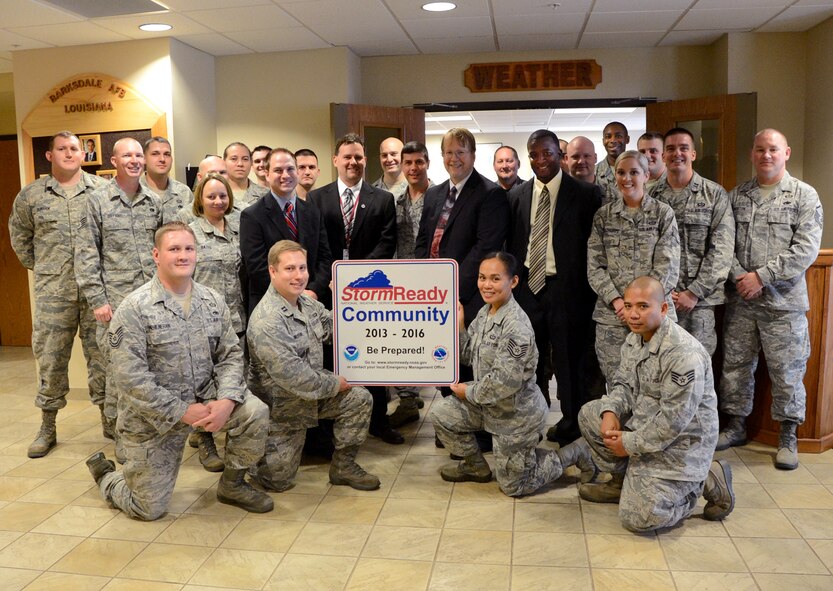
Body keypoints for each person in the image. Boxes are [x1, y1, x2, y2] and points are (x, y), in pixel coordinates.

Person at [84, 222, 272, 520]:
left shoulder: (212, 301)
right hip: (154, 416)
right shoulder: (134, 308)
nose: (183, 255)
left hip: (208, 401)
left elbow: (231, 355)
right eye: (174, 249)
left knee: (254, 411)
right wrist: (181, 411)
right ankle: (108, 477)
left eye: (189, 249)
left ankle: (233, 485)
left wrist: (227, 400)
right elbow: (130, 379)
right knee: (148, 509)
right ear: (156, 255)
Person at [578, 276, 735, 532]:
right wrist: (611, 409)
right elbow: (623, 384)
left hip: (681, 445)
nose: (633, 314)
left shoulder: (683, 355)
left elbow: (673, 422)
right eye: (628, 306)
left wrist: (628, 443)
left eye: (643, 306)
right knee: (591, 414)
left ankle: (703, 481)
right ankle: (623, 481)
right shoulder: (635, 339)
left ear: (663, 309)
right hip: (647, 433)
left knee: (639, 518)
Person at [431, 252, 594, 496]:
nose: (487, 285)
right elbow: (467, 355)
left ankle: (574, 453)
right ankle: (475, 467)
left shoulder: (516, 326)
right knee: (442, 414)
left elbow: (503, 383)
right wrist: (461, 325)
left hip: (516, 415)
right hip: (487, 405)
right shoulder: (486, 313)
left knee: (514, 486)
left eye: (495, 279)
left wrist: (469, 391)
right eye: (482, 277)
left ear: (513, 282)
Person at [717, 129, 823, 470]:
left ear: (786, 153)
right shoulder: (737, 196)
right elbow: (723, 243)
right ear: (752, 154)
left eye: (773, 149)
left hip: (784, 303)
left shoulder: (804, 196)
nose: (766, 155)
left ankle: (788, 435)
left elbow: (805, 250)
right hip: (742, 301)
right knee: (735, 365)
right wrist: (740, 277)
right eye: (760, 149)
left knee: (787, 370)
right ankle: (736, 426)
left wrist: (761, 277)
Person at [247, 240, 380, 492]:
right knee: (277, 482)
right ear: (272, 271)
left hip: (314, 397)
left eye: (302, 268)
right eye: (289, 269)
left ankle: (343, 466)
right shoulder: (267, 321)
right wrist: (336, 383)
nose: (298, 276)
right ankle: (253, 456)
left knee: (359, 398)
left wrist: (348, 299)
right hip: (282, 410)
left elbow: (338, 328)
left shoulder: (306, 304)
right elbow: (296, 378)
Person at [9, 131, 108, 458]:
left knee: (104, 358)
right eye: (62, 148)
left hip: (97, 293)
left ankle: (111, 421)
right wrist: (48, 269)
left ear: (83, 154)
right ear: (49, 155)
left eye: (74, 148)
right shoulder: (32, 196)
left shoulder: (102, 191)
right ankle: (47, 426)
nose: (69, 153)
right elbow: (20, 238)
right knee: (50, 359)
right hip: (54, 293)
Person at [507, 129, 604, 446]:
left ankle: (571, 422)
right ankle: (532, 418)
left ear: (560, 156)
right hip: (528, 290)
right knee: (529, 361)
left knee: (568, 360)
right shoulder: (517, 195)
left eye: (547, 153)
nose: (540, 160)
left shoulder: (586, 195)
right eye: (534, 154)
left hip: (567, 289)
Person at [415, 127, 509, 451]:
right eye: (449, 152)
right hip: (431, 296)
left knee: (467, 363)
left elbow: (486, 247)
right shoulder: (434, 193)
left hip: (467, 295)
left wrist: (451, 285)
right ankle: (449, 426)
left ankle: (475, 434)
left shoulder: (490, 193)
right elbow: (422, 242)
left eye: (461, 152)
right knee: (441, 360)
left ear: (472, 156)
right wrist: (420, 284)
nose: (454, 158)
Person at [308, 133, 402, 445]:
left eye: (359, 157)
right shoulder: (317, 199)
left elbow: (386, 243)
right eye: (347, 157)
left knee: (372, 355)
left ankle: (378, 420)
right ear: (335, 160)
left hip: (368, 291)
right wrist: (330, 277)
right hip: (327, 289)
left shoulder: (383, 200)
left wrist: (354, 276)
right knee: (329, 355)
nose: (353, 162)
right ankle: (330, 424)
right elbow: (316, 245)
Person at [75, 137, 164, 442]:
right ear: (114, 162)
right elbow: (86, 255)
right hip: (114, 305)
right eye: (127, 155)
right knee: (117, 371)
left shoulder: (154, 202)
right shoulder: (97, 201)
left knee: (151, 367)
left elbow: (163, 254)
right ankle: (118, 433)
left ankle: (147, 428)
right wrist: (98, 300)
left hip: (151, 303)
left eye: (139, 155)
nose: (135, 160)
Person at [587, 150, 679, 388]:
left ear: (646, 175)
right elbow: (595, 266)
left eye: (634, 172)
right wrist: (619, 302)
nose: (627, 178)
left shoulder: (663, 214)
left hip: (654, 317)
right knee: (618, 383)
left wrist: (641, 307)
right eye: (621, 173)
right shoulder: (603, 216)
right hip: (613, 316)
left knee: (658, 382)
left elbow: (667, 265)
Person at [648, 127, 735, 355]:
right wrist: (664, 291)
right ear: (663, 156)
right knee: (659, 365)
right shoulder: (650, 197)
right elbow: (644, 250)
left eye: (684, 148)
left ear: (693, 154)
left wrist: (694, 292)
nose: (677, 153)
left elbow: (722, 250)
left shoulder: (714, 195)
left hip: (700, 303)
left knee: (699, 367)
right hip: (660, 302)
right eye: (671, 149)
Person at [240, 148, 331, 316]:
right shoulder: (252, 216)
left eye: (290, 169)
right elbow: (257, 268)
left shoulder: (313, 212)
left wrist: (312, 291)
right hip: (271, 309)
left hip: (311, 303)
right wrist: (293, 295)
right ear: (267, 174)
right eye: (278, 170)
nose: (285, 175)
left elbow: (324, 259)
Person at [388, 141, 434, 428]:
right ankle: (407, 400)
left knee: (436, 342)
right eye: (408, 163)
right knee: (405, 340)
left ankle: (447, 403)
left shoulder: (442, 195)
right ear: (402, 166)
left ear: (427, 163)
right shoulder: (393, 198)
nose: (414, 168)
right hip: (403, 280)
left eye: (419, 162)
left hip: (433, 279)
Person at [141, 136, 194, 222]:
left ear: (171, 159)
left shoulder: (184, 193)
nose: (162, 159)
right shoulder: (133, 191)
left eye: (167, 154)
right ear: (144, 159)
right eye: (155, 154)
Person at [223, 142, 269, 209]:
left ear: (251, 163)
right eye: (234, 159)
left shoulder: (266, 195)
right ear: (224, 162)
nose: (240, 164)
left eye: (245, 159)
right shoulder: (215, 194)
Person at [596, 122, 630, 204]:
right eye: (608, 137)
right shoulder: (594, 173)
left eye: (618, 136)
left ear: (627, 139)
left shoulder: (639, 171)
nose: (613, 140)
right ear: (603, 141)